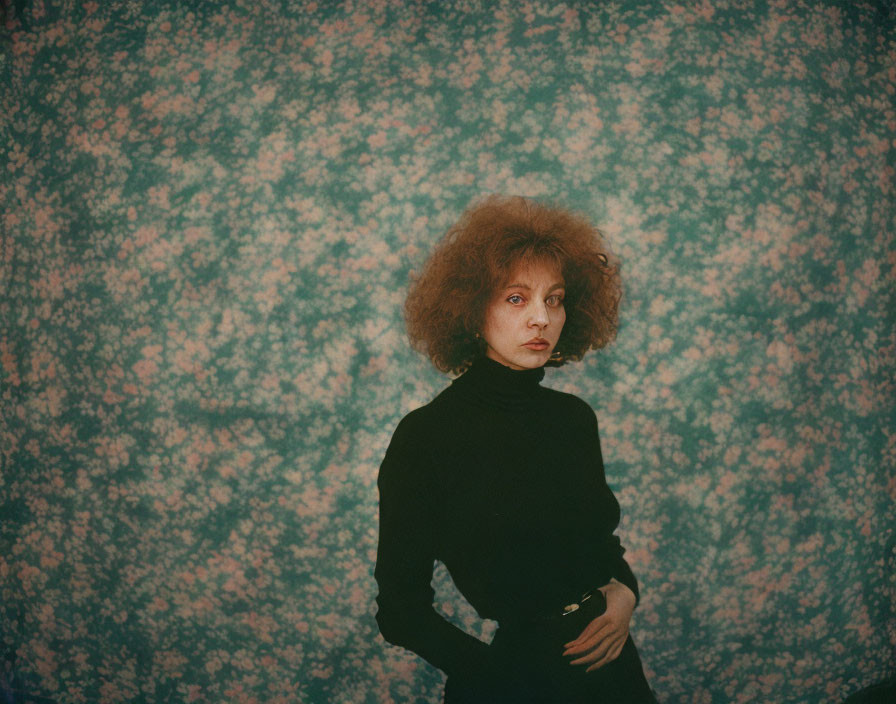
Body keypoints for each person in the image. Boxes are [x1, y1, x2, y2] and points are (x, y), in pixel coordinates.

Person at [374, 195, 657, 703]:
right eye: (516, 298)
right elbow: (400, 608)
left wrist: (625, 593)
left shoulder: (573, 419)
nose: (541, 320)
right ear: (471, 307)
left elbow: (598, 543)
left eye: (555, 298)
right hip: (510, 679)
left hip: (612, 666)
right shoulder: (427, 436)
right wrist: (492, 674)